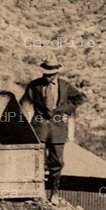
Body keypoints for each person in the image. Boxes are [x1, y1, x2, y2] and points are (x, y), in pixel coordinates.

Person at [21, 60, 86, 202]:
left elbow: (80, 98)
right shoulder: (34, 85)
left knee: (57, 162)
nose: (47, 77)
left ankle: (54, 193)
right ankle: (39, 191)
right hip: (40, 126)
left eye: (51, 74)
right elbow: (25, 103)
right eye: (45, 74)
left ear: (57, 73)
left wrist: (65, 110)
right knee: (37, 159)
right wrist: (24, 119)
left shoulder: (65, 86)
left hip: (58, 128)